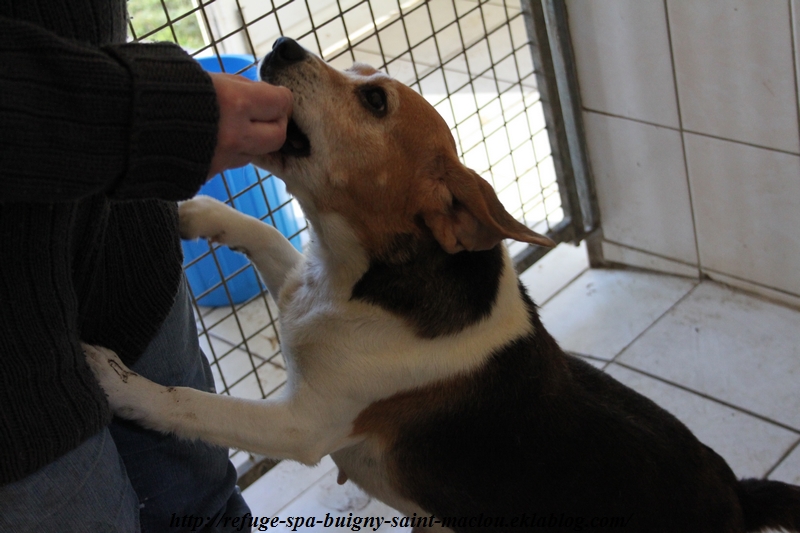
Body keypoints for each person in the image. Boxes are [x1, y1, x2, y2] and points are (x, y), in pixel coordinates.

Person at [0, 0, 292, 531]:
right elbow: (309, 432)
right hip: (15, 383)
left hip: (121, 239)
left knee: (208, 505)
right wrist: (146, 112)